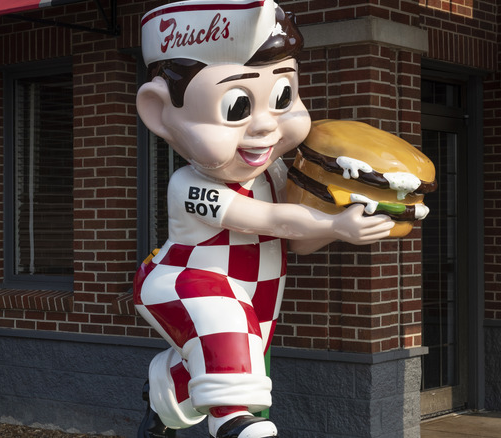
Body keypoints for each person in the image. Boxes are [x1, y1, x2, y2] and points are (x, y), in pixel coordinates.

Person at [133, 2, 393, 437]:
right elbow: (269, 220)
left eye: (282, 98)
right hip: (186, 279)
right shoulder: (188, 185)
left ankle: (164, 396)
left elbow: (298, 240)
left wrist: (341, 224)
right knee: (228, 328)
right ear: (160, 112)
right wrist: (332, 224)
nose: (264, 127)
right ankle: (232, 424)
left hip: (259, 293)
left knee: (232, 356)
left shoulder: (275, 173)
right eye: (236, 107)